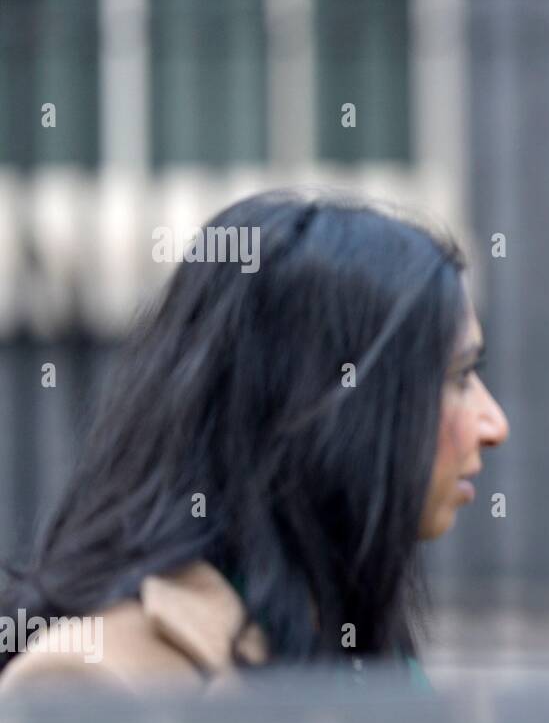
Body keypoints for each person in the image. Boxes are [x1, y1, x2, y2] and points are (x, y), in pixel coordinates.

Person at [0, 190, 508, 693]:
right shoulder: (93, 680)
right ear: (328, 406)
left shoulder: (356, 645)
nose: (494, 425)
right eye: (459, 376)